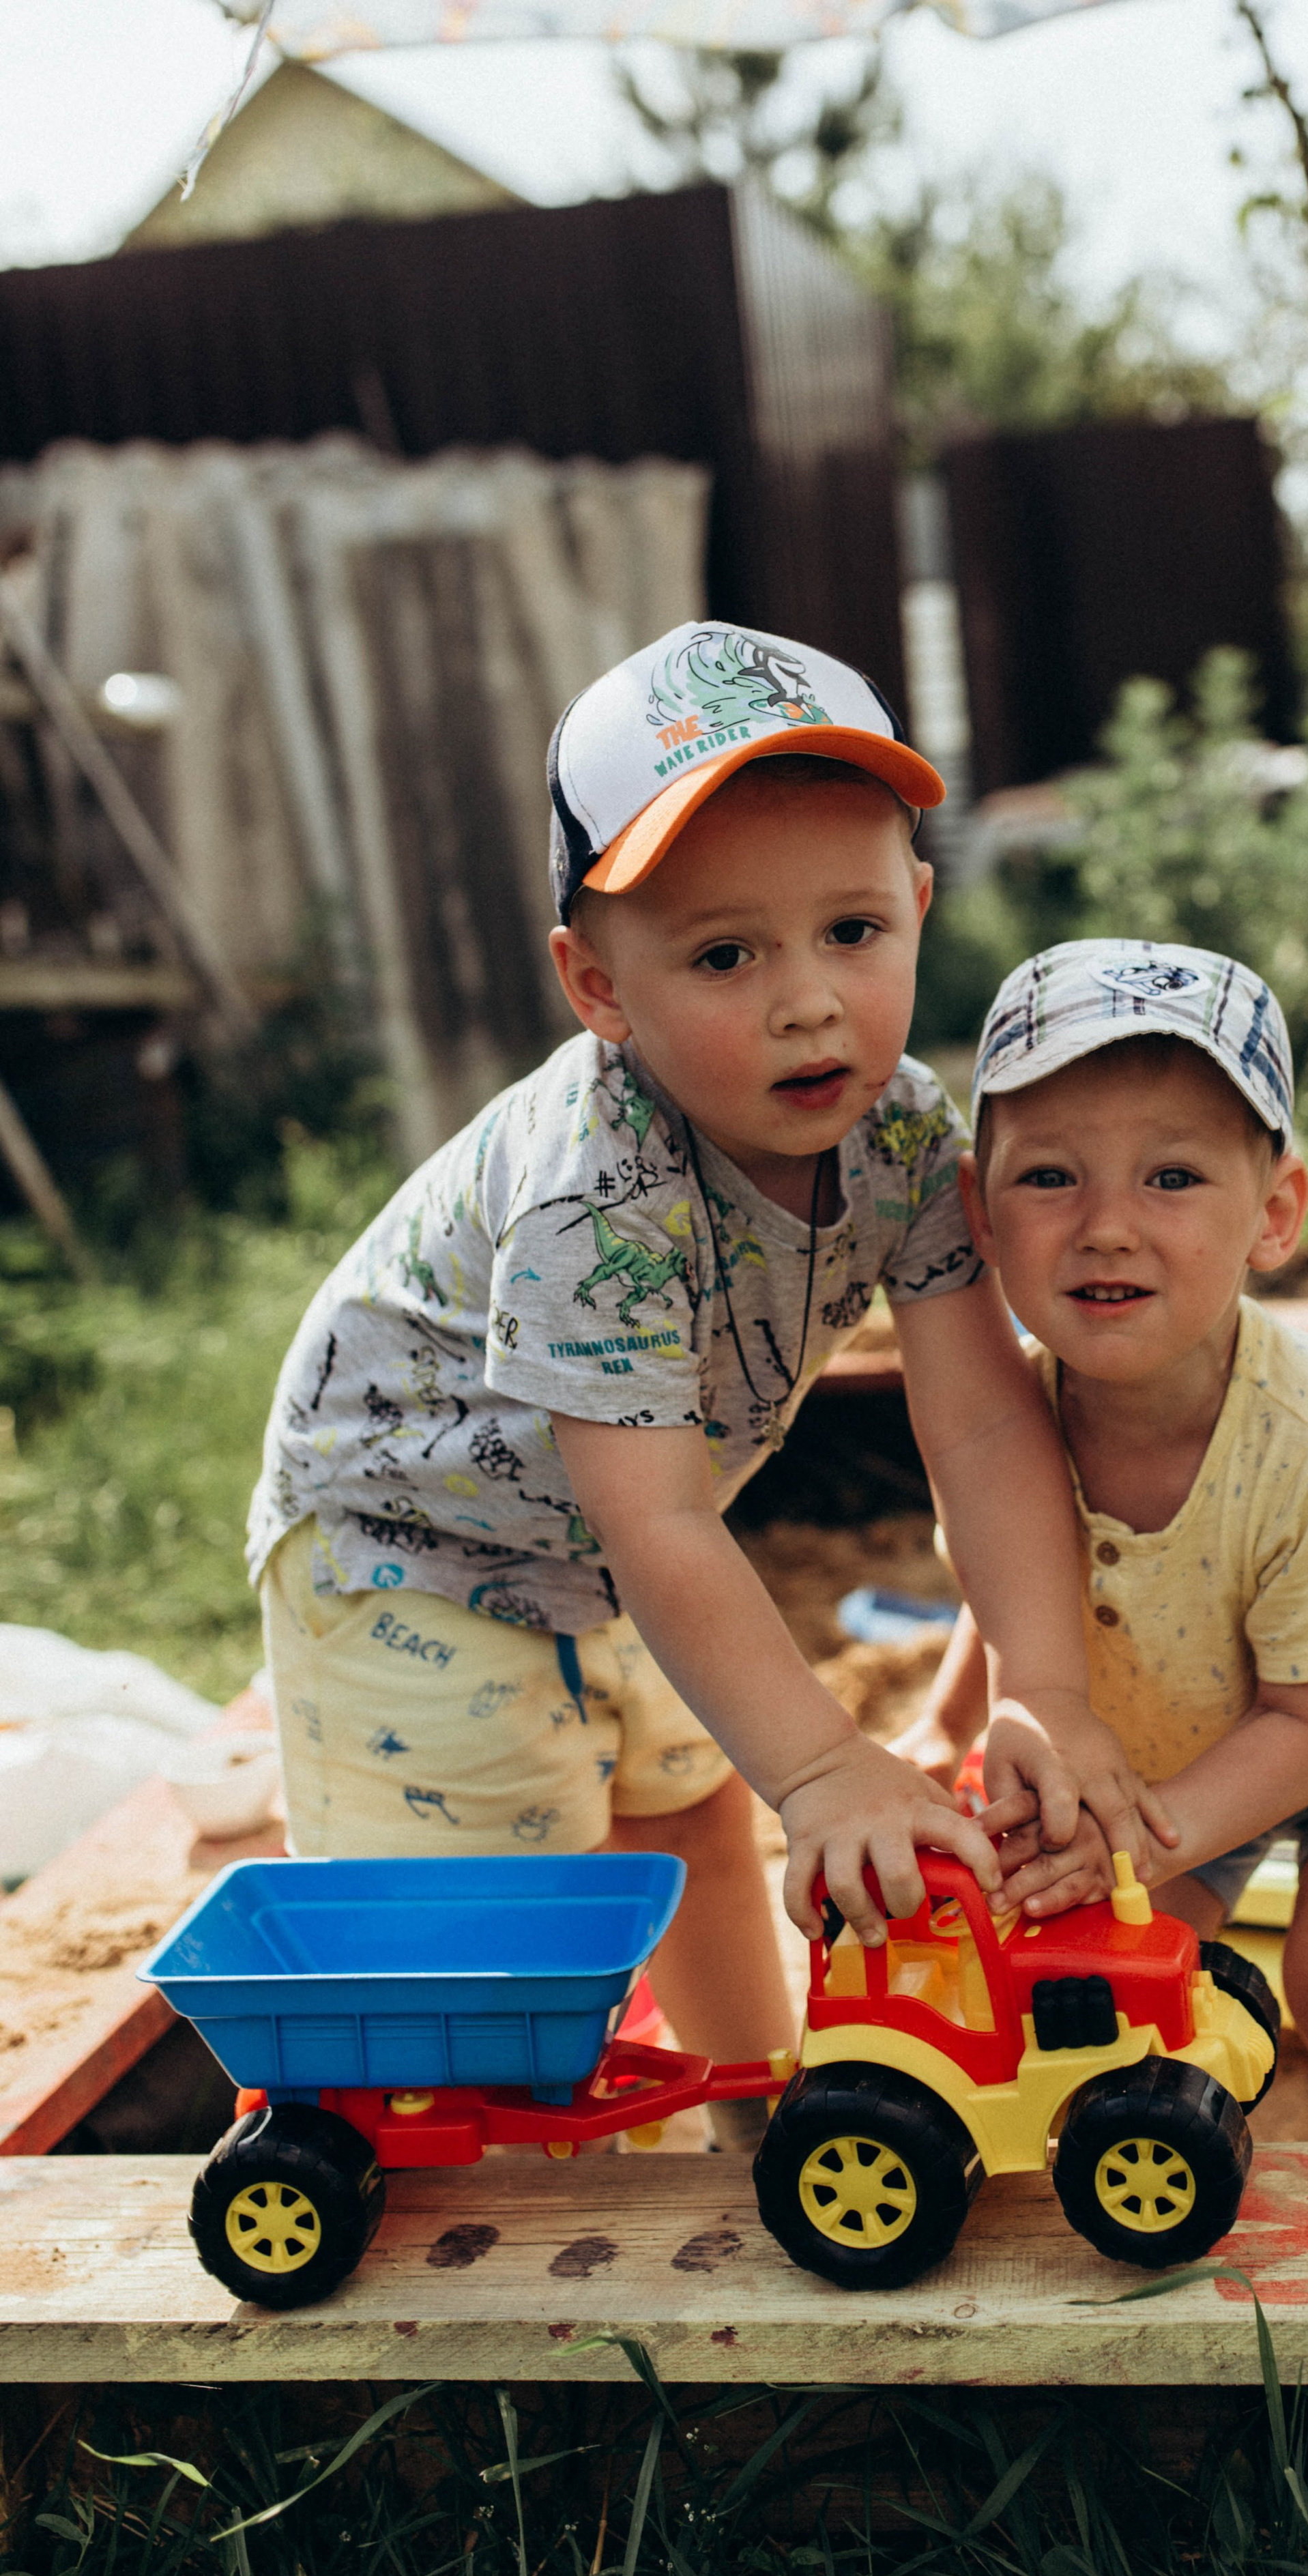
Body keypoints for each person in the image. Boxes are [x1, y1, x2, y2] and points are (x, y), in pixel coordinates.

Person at [246, 623, 1138, 2140]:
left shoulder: (908, 1136)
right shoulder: (598, 1201)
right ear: (597, 984)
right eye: (726, 954)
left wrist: (1042, 1686)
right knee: (508, 1912)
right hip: (411, 1548)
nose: (807, 1002)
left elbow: (981, 1417)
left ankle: (761, 2122)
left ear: (920, 906)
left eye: (851, 932)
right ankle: (489, 2219)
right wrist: (823, 1768)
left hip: (611, 1549)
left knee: (692, 1823)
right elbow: (658, 1522)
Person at [905, 938, 1308, 2139]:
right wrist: (944, 1718)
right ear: (979, 1208)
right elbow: (1008, 1586)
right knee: (1095, 1969)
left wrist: (1135, 1834)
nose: (1108, 1229)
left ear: (1275, 1213)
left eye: (1172, 1178)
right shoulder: (1005, 1416)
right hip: (1167, 1747)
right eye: (1051, 1180)